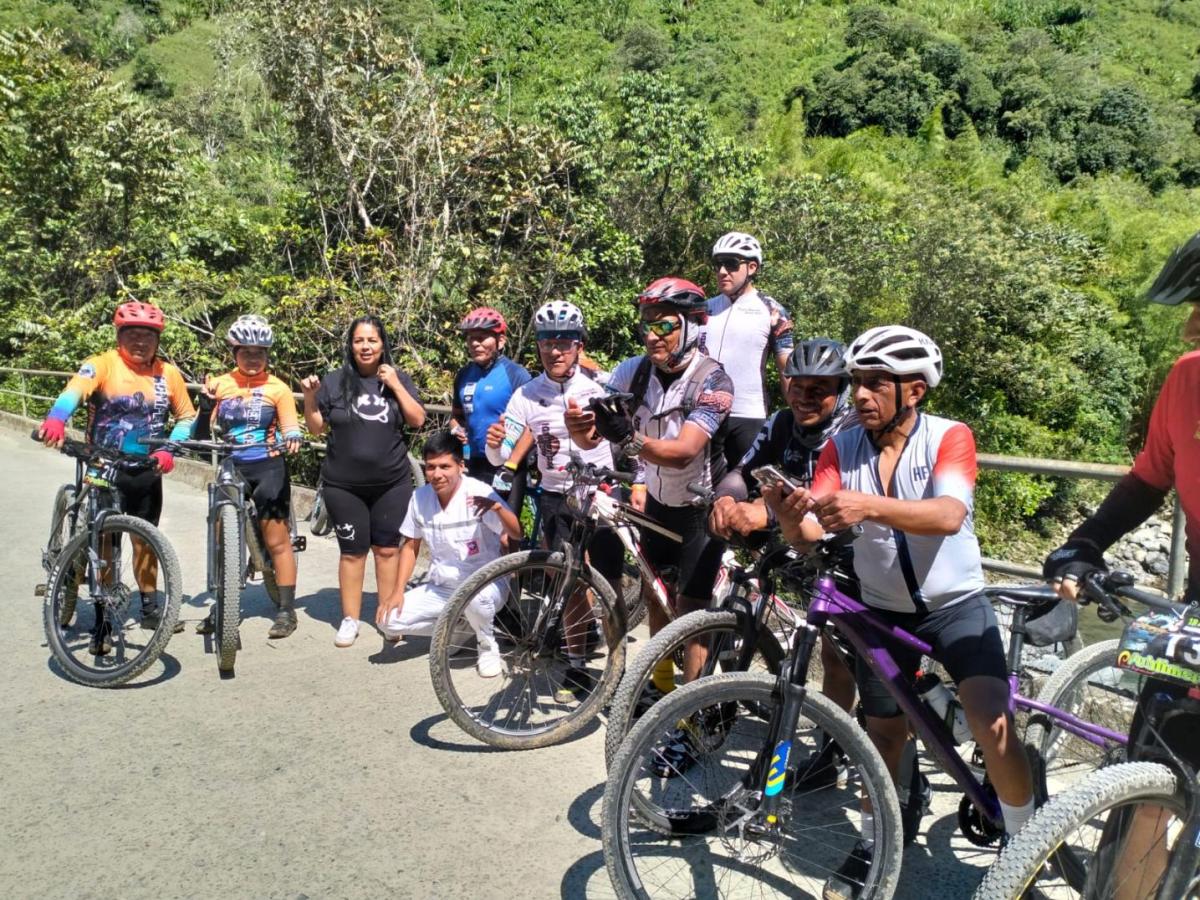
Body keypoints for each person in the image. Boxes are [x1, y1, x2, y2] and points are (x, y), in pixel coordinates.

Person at [767, 325, 1033, 898]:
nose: (860, 394)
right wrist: (789, 516)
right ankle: (875, 840)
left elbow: (946, 513)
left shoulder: (949, 436)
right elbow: (813, 528)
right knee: (882, 733)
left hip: (955, 604)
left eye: (874, 384)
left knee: (992, 722)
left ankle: (1025, 843)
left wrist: (869, 505)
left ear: (912, 391)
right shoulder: (841, 447)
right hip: (881, 610)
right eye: (857, 383)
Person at [1043, 232, 1200, 899]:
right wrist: (1086, 542)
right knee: (1155, 762)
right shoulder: (1188, 377)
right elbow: (1146, 481)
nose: (1191, 323)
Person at [565, 276, 734, 768]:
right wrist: (583, 425)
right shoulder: (633, 372)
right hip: (657, 502)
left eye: (664, 324)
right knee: (658, 600)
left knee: (692, 615)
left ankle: (693, 718)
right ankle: (661, 693)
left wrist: (629, 440)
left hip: (702, 506)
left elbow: (683, 454)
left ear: (690, 325)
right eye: (646, 325)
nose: (652, 334)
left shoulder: (713, 380)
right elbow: (591, 427)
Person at [709, 338, 861, 784]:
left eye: (820, 389)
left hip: (851, 555)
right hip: (801, 550)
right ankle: (830, 753)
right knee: (827, 653)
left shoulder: (851, 433)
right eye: (797, 385)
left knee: (842, 662)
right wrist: (726, 496)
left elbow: (827, 496)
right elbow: (741, 470)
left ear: (842, 391)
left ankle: (841, 752)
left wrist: (764, 511)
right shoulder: (779, 423)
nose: (804, 396)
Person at [38, 301, 196, 651]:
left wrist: (170, 448)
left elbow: (186, 417)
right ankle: (103, 619)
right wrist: (56, 418)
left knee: (146, 539)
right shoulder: (102, 364)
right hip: (103, 468)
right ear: (119, 335)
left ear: (157, 340)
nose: (140, 341)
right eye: (132, 334)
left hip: (146, 469)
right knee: (105, 547)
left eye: (148, 336)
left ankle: (151, 605)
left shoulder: (167, 374)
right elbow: (74, 391)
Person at [485, 300, 622, 701]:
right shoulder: (527, 394)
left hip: (601, 494)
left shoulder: (598, 388)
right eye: (547, 342)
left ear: (579, 345)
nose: (555, 350)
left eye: (564, 341)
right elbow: (502, 452)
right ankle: (577, 666)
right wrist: (496, 448)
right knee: (569, 585)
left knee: (609, 585)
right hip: (555, 497)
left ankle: (618, 667)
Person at [300, 316, 425, 648]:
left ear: (383, 344)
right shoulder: (334, 381)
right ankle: (350, 619)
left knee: (386, 550)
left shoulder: (398, 379)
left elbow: (418, 420)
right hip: (344, 485)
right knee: (352, 553)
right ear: (350, 345)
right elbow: (316, 428)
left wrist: (396, 384)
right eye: (359, 341)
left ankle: (388, 617)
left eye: (372, 340)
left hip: (392, 483)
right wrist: (310, 397)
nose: (365, 346)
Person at [375, 431, 522, 676]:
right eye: (431, 467)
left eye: (445, 466)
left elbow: (516, 533)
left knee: (476, 599)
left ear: (461, 466)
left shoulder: (479, 491)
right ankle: (461, 627)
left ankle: (487, 644)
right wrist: (397, 591)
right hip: (442, 585)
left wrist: (497, 507)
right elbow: (411, 546)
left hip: (485, 583)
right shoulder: (419, 498)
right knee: (387, 620)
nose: (437, 474)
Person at [193, 315, 304, 639]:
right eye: (246, 352)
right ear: (234, 353)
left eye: (259, 352)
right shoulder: (220, 384)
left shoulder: (278, 388)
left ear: (268, 355)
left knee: (277, 540)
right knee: (220, 537)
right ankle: (223, 604)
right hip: (232, 466)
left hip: (268, 467)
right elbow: (201, 439)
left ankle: (286, 610)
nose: (253, 358)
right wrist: (203, 409)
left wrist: (293, 438)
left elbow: (290, 428)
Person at [701, 231, 795, 469]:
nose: (722, 271)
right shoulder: (704, 309)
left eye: (731, 264)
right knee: (700, 489)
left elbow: (787, 370)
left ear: (752, 267)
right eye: (718, 264)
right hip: (703, 412)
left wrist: (798, 418)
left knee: (747, 487)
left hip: (748, 414)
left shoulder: (773, 311)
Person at [449, 306, 531, 515]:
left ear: (500, 341)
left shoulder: (516, 375)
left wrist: (511, 465)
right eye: (470, 338)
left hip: (507, 464)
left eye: (483, 338)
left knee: (505, 532)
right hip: (472, 463)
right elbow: (457, 416)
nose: (475, 343)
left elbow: (533, 425)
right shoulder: (464, 375)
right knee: (475, 528)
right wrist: (456, 430)